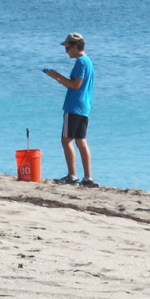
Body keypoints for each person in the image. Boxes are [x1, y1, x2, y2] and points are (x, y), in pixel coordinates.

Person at [43, 32, 95, 186]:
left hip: (74, 106)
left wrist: (56, 76)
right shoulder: (88, 61)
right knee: (81, 141)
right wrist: (61, 80)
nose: (66, 51)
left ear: (75, 46)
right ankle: (87, 178)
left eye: (67, 48)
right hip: (84, 107)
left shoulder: (81, 62)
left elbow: (75, 85)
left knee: (66, 140)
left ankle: (72, 176)